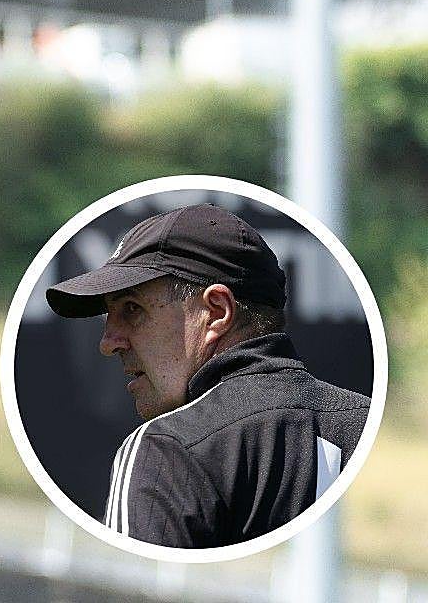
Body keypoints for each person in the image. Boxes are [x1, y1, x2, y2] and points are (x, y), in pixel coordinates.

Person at [45, 203, 370, 548]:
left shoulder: (166, 449)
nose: (108, 343)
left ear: (216, 311)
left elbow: (134, 586)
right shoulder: (364, 424)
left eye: (132, 309)